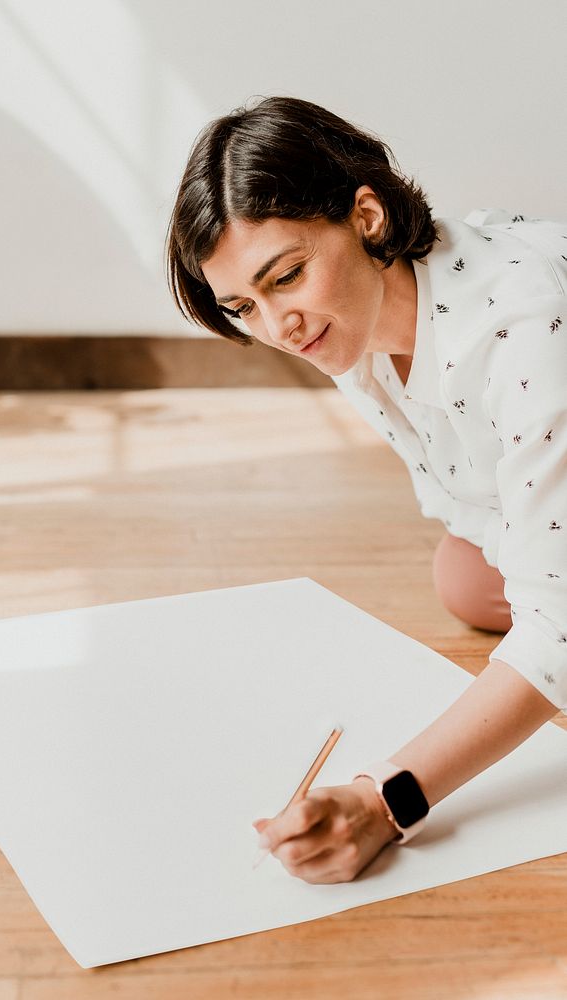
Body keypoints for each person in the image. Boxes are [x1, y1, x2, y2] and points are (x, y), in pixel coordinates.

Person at [166, 96, 566, 883]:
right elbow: (467, 502)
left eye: (286, 276)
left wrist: (387, 800)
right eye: (243, 305)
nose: (278, 325)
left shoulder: (522, 328)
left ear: (367, 215)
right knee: (463, 579)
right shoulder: (352, 321)